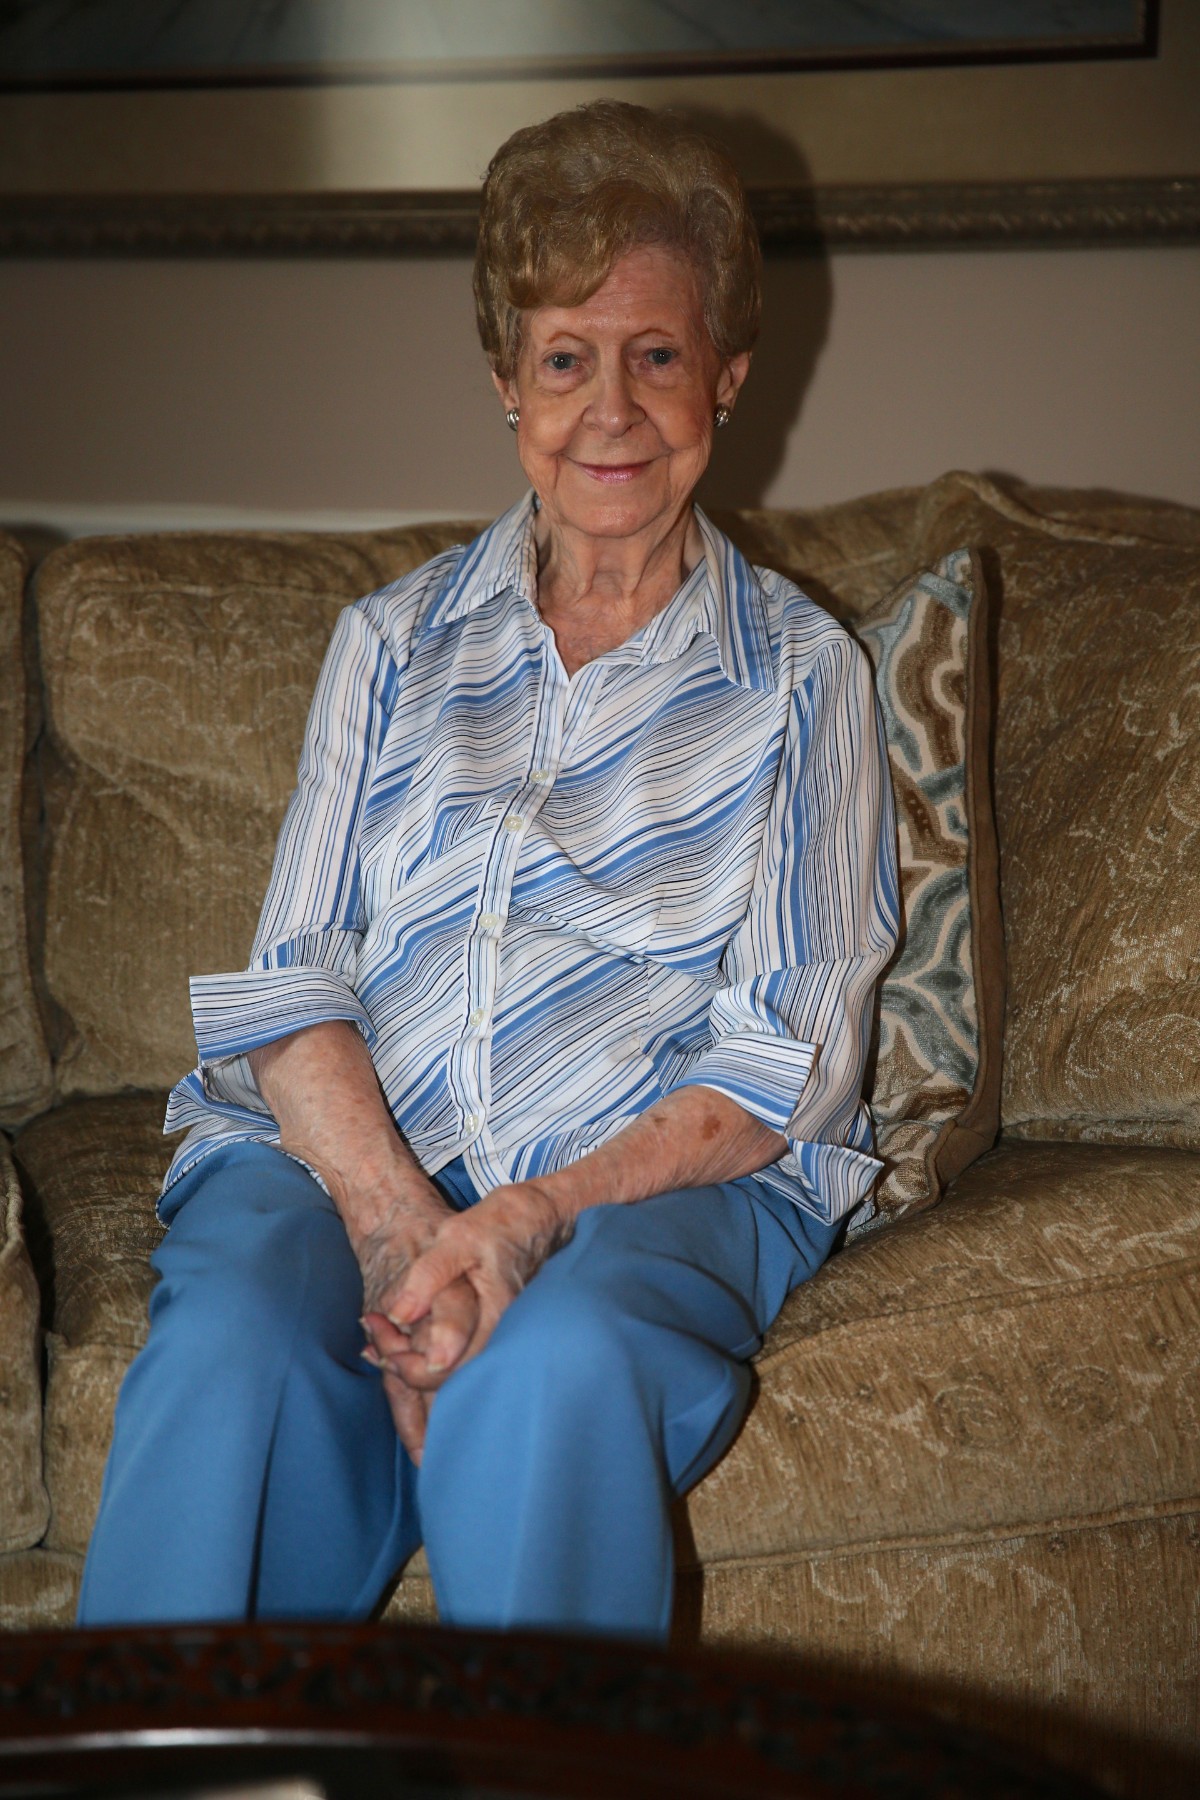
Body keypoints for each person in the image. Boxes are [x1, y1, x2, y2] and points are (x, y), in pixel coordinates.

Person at [78, 100, 899, 1641]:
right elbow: (294, 978)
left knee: (553, 1370)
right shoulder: (389, 644)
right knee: (232, 1352)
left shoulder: (805, 678)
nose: (611, 410)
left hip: (652, 1179)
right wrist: (400, 1224)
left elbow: (785, 1062)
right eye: (565, 359)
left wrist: (525, 1218)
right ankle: (177, 1746)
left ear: (726, 376)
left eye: (657, 355)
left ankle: (546, 1747)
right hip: (352, 1155)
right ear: (507, 384)